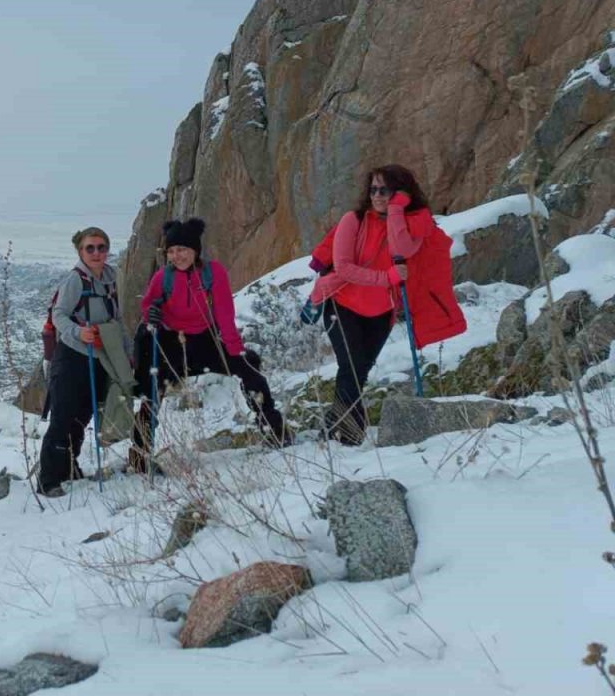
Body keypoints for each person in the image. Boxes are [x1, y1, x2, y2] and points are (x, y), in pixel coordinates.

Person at [309, 164, 464, 444]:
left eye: (385, 190)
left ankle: (334, 426)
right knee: (351, 367)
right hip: (342, 304)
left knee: (359, 371)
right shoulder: (353, 220)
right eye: (373, 190)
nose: (377, 195)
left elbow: (401, 249)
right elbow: (343, 268)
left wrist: (395, 212)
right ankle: (349, 435)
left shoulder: (414, 224)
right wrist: (386, 277)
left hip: (380, 314)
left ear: (402, 194)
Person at [132, 219, 290, 466]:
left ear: (195, 250)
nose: (176, 256)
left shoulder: (212, 273)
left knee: (250, 372)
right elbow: (148, 305)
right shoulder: (164, 277)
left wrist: (236, 352)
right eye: (171, 251)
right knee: (152, 394)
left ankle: (274, 432)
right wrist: (151, 313)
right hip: (172, 343)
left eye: (182, 249)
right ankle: (140, 456)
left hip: (207, 341)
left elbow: (224, 314)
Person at [37, 227, 130, 497]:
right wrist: (80, 332)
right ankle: (49, 479)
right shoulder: (75, 280)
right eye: (90, 248)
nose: (97, 253)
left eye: (102, 247)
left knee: (83, 415)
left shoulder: (112, 278)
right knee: (64, 416)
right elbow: (60, 315)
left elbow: (117, 319)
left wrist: (126, 352)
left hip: (101, 355)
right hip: (72, 355)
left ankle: (69, 467)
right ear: (80, 251)